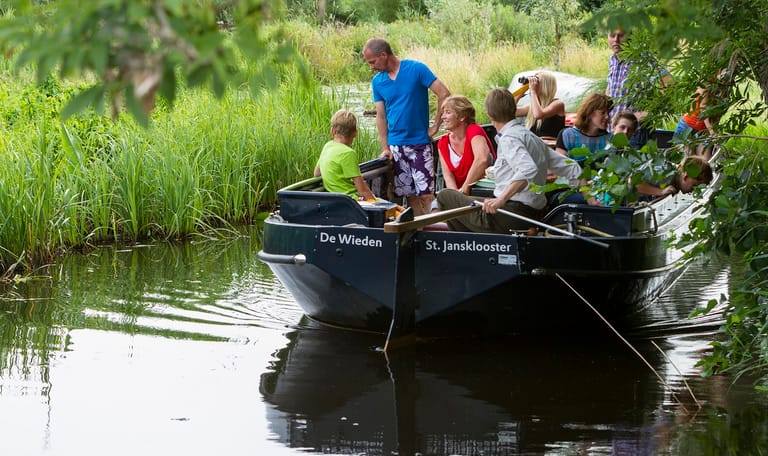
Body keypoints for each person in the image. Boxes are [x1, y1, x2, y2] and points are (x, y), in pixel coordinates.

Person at [436, 88, 582, 234]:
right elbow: (572, 167)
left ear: (489, 114)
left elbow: (528, 169)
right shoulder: (530, 136)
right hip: (534, 212)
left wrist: (501, 200)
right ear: (513, 111)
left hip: (513, 213)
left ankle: (470, 244)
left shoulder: (509, 139)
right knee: (469, 200)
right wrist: (590, 196)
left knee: (445, 196)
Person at [362, 37, 451, 216]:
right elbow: (381, 116)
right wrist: (385, 147)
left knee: (427, 195)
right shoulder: (378, 82)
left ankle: (436, 230)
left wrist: (435, 126)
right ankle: (419, 233)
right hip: (396, 147)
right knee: (409, 196)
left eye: (373, 62)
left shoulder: (416, 69)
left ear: (384, 55)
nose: (371, 66)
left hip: (419, 143)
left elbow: (444, 93)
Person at [605, 28, 670, 149]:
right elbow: (610, 89)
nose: (616, 40)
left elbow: (670, 87)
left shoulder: (643, 60)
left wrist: (646, 114)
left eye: (621, 35)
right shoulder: (613, 60)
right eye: (612, 35)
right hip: (612, 131)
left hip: (635, 132)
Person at [436, 95, 495, 195]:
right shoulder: (443, 142)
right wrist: (456, 196)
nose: (443, 117)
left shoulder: (474, 130)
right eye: (443, 113)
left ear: (462, 117)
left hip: (482, 193)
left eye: (448, 112)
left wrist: (464, 189)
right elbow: (448, 175)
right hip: (460, 194)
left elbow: (483, 159)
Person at [314, 109, 376, 202]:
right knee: (393, 209)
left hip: (336, 199)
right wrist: (376, 203)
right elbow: (362, 191)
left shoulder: (327, 146)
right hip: (351, 200)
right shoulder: (348, 153)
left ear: (332, 131)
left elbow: (317, 173)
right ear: (355, 133)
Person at [672, 69, 731, 160]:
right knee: (688, 163)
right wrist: (712, 133)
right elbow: (704, 109)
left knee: (705, 162)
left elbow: (717, 114)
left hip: (704, 131)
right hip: (688, 127)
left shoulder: (725, 90)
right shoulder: (707, 83)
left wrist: (714, 132)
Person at [555, 93, 612, 166]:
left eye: (608, 113)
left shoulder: (609, 140)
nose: (607, 117)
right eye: (603, 113)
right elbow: (560, 166)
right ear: (590, 112)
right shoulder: (568, 135)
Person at [514, 71, 566, 138]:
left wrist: (533, 91)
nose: (533, 84)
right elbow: (511, 112)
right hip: (534, 145)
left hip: (549, 147)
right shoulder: (533, 107)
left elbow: (538, 115)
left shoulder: (558, 104)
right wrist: (522, 89)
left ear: (546, 85)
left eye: (537, 81)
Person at [636, 155, 713, 199]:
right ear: (685, 176)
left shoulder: (676, 179)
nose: (693, 191)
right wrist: (660, 192)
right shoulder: (665, 172)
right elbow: (635, 183)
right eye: (694, 186)